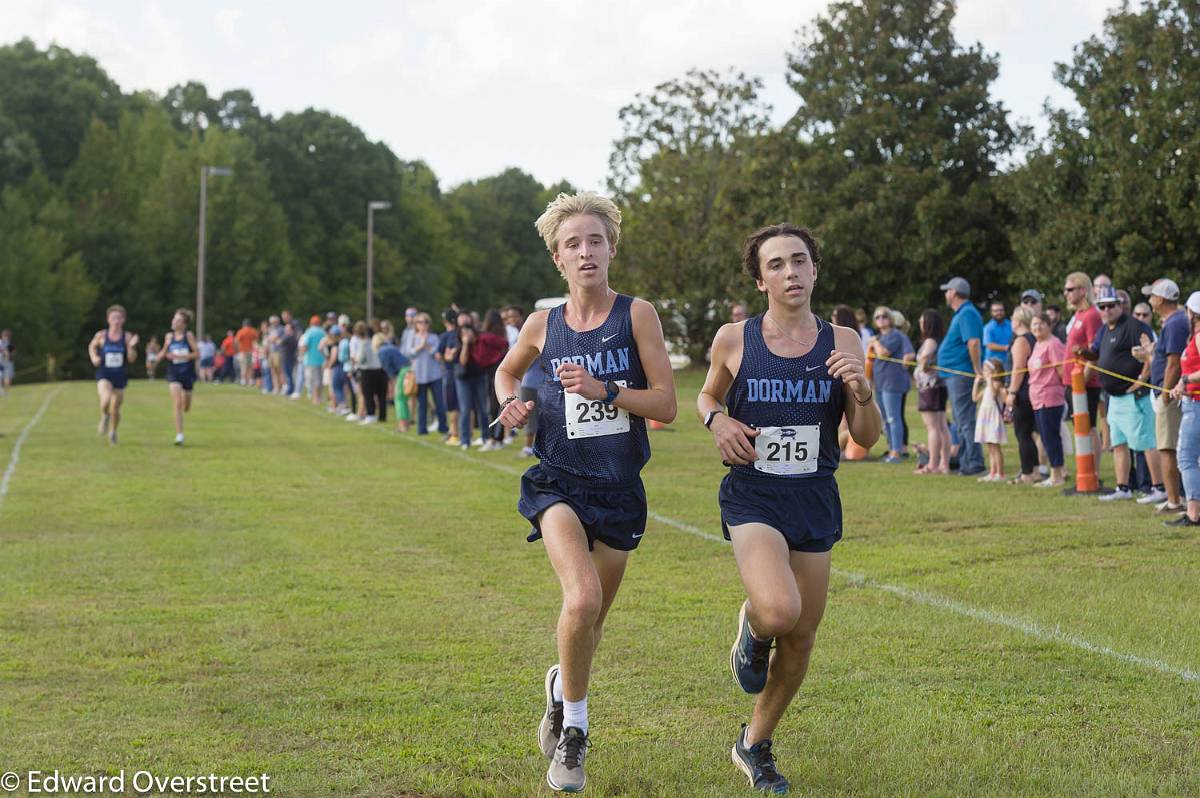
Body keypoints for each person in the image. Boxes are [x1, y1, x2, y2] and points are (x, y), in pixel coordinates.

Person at [492, 192, 676, 794]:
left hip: (620, 488)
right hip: (558, 482)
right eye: (573, 244)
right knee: (582, 598)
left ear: (611, 248)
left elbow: (666, 406)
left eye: (595, 240)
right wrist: (510, 402)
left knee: (591, 621)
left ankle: (558, 687)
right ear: (558, 260)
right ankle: (574, 735)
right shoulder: (543, 324)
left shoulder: (638, 315)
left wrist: (605, 389)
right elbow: (507, 370)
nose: (586, 251)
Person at [697, 223, 879, 795]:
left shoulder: (843, 341)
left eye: (799, 261)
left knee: (801, 638)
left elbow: (867, 437)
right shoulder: (735, 338)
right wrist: (718, 419)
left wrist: (863, 391)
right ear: (760, 279)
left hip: (815, 494)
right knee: (779, 611)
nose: (791, 272)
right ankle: (751, 629)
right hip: (754, 492)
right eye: (776, 264)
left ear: (815, 270)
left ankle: (754, 744)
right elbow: (707, 394)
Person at [1080, 286, 1163, 502]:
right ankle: (1123, 487)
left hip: (1134, 396)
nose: (1106, 310)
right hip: (1113, 397)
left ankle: (1159, 487)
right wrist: (1082, 353)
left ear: (1120, 306)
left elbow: (1150, 353)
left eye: (1110, 305)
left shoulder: (1135, 326)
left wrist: (1140, 381)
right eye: (1102, 306)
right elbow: (1096, 355)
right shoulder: (1103, 330)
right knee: (1118, 443)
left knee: (1145, 442)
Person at [1142, 278, 1188, 514]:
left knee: (1167, 448)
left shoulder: (1175, 323)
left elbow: (1173, 363)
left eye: (1152, 296)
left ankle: (1174, 500)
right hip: (1169, 392)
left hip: (1170, 395)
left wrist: (1164, 395)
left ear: (1161, 299)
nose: (1149, 299)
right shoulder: (1175, 321)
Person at [937, 276, 985, 476]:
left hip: (961, 374)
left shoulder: (968, 314)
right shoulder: (962, 313)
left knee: (965, 420)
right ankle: (966, 461)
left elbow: (973, 343)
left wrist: (977, 370)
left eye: (948, 291)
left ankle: (973, 463)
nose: (946, 294)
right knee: (960, 419)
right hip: (953, 374)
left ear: (954, 293)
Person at [1063, 272, 1104, 479]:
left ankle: (1093, 472)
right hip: (1073, 382)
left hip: (1086, 383)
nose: (1066, 293)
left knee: (1090, 427)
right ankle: (1085, 469)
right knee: (1081, 427)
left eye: (1070, 289)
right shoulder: (1078, 315)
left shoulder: (1091, 315)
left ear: (1083, 290)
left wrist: (1081, 383)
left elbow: (1093, 354)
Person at [1166, 291, 1200, 526]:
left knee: (1186, 458)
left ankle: (1194, 514)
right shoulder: (1194, 336)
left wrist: (1186, 382)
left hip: (1197, 405)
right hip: (1191, 401)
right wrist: (1180, 384)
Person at [866, 305, 913, 463]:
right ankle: (892, 450)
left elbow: (883, 353)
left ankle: (896, 453)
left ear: (891, 319)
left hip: (893, 383)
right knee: (885, 420)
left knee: (893, 418)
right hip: (880, 383)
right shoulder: (879, 338)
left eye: (884, 316)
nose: (880, 319)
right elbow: (871, 360)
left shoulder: (895, 335)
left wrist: (874, 341)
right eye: (877, 317)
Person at [87, 305, 139, 445]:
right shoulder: (102, 335)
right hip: (104, 373)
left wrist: (131, 346)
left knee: (115, 408)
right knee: (106, 399)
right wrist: (94, 357)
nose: (116, 320)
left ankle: (113, 433)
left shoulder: (127, 337)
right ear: (108, 319)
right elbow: (91, 346)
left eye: (119, 318)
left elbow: (131, 359)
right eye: (114, 317)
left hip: (120, 375)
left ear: (124, 320)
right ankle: (104, 416)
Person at [1028, 313, 1068, 487]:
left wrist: (1061, 388)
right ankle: (1055, 471)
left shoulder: (1054, 344)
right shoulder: (1038, 344)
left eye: (1041, 324)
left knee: (1051, 437)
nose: (1037, 327)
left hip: (1050, 397)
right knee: (1044, 437)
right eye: (1034, 324)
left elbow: (1061, 371)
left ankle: (1056, 474)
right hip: (1036, 396)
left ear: (1049, 325)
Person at [1004, 307, 1042, 484]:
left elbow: (1018, 368)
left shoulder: (1021, 341)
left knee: (1022, 434)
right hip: (1031, 390)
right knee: (1027, 433)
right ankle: (1034, 470)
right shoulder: (1033, 338)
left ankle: (1028, 473)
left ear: (1018, 321)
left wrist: (1012, 392)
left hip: (1023, 392)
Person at [914, 309, 951, 475]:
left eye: (922, 321)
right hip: (939, 387)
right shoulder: (940, 340)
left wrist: (922, 363)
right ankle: (944, 464)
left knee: (933, 427)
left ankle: (933, 464)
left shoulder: (930, 341)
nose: (920, 324)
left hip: (929, 387)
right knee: (942, 426)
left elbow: (924, 361)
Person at [155, 308, 199, 445]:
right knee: (177, 403)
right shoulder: (169, 337)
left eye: (178, 320)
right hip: (173, 373)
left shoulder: (189, 336)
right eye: (174, 319)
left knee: (186, 406)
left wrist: (181, 356)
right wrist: (160, 356)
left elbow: (197, 354)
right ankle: (179, 435)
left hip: (187, 373)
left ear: (184, 324)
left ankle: (183, 414)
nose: (174, 322)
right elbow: (162, 353)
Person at [404, 312, 448, 436]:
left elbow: (437, 353)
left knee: (439, 402)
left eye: (424, 322)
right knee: (422, 404)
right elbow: (409, 353)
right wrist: (419, 347)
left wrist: (427, 346)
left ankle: (443, 426)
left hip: (434, 375)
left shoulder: (433, 337)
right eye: (419, 322)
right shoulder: (412, 337)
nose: (422, 325)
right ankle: (421, 429)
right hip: (419, 375)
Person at [454, 311, 491, 449]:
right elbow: (463, 361)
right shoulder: (458, 343)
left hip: (479, 376)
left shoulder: (479, 343)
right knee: (465, 409)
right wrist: (465, 344)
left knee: (482, 408)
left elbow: (481, 358)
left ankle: (485, 436)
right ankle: (465, 440)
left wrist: (473, 342)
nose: (466, 335)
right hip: (463, 379)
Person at [479, 310, 511, 450]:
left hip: (494, 371)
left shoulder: (488, 337)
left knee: (495, 406)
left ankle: (495, 438)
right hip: (491, 371)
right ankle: (494, 437)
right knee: (493, 406)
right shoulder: (498, 336)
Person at [973, 358, 1008, 482]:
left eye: (986, 370)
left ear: (994, 372)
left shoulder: (996, 384)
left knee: (995, 446)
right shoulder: (987, 387)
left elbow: (993, 395)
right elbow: (975, 398)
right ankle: (992, 473)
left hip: (993, 416)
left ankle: (1000, 473)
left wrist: (989, 381)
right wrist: (976, 383)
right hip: (984, 416)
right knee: (990, 447)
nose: (984, 372)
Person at [436, 309, 461, 445]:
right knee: (464, 405)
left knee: (453, 405)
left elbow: (440, 355)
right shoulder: (460, 333)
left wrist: (446, 356)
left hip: (450, 372)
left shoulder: (446, 336)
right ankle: (460, 432)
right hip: (462, 372)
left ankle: (454, 433)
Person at [353, 322, 386, 425]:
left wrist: (355, 359)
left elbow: (362, 359)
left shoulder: (364, 343)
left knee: (368, 394)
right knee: (381, 395)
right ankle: (382, 416)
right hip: (380, 370)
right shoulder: (375, 342)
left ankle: (371, 415)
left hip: (368, 371)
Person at [299, 315, 326, 405]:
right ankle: (320, 397)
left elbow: (305, 345)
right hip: (322, 359)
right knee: (320, 380)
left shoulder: (309, 332)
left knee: (314, 381)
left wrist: (301, 355)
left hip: (311, 359)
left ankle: (315, 398)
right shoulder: (323, 332)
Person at [983, 300, 1013, 373]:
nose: (999, 313)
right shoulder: (988, 328)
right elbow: (989, 345)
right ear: (991, 313)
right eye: (996, 311)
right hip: (992, 364)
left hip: (1009, 362)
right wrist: (1006, 348)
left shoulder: (1011, 324)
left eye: (1001, 310)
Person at [234, 319, 258, 386]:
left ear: (243, 324)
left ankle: (243, 380)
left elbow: (236, 341)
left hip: (242, 351)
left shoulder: (241, 331)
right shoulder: (253, 331)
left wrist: (236, 350)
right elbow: (256, 340)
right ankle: (250, 380)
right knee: (250, 366)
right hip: (251, 351)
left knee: (243, 366)